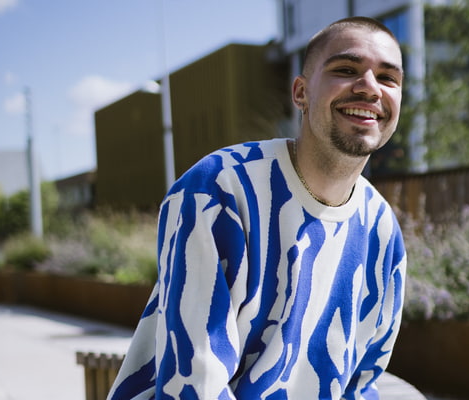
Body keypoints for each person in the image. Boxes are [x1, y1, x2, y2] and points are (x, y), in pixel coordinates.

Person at [106, 16, 409, 400]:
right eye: (346, 70)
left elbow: (360, 384)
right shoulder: (220, 189)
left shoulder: (381, 228)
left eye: (388, 78)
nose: (369, 88)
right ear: (300, 93)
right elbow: (195, 385)